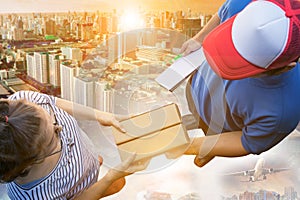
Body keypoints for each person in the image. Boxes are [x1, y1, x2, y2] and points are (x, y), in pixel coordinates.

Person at [178, 0, 300, 167]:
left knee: (212, 140)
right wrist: (199, 39)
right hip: (196, 89)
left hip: (222, 127)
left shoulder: (283, 111)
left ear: (286, 66)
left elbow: (246, 141)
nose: (218, 64)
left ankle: (211, 143)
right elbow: (223, 13)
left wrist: (193, 145)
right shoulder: (242, 4)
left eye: (242, 62)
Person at [0, 90, 149, 199]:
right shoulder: (38, 196)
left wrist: (99, 115)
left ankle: (89, 169)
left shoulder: (22, 100)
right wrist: (109, 178)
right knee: (117, 185)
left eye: (51, 114)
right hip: (78, 189)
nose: (60, 127)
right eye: (55, 134)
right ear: (32, 161)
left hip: (85, 164)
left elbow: (52, 102)